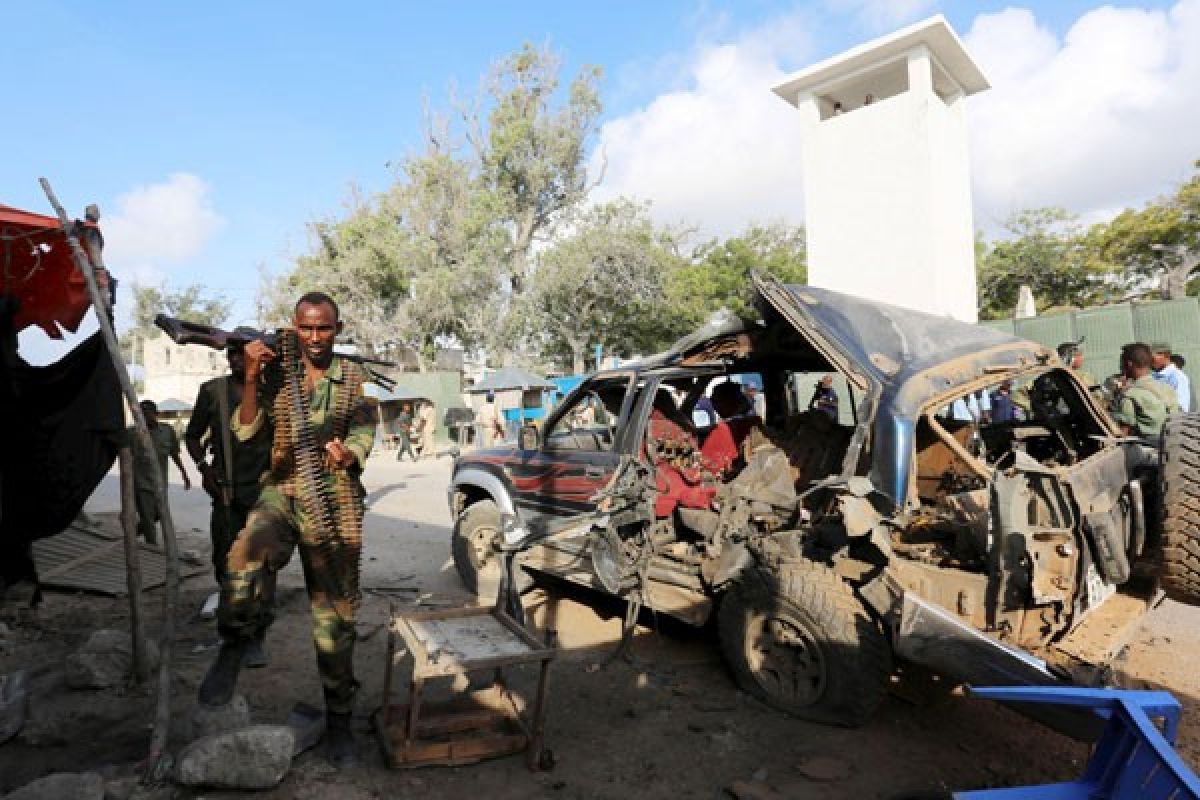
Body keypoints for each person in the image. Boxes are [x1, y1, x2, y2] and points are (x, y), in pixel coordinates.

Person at [197, 291, 376, 768]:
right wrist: (253, 375)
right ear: (295, 327)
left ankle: (339, 722)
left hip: (335, 500)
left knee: (334, 620)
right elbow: (245, 430)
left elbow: (364, 428)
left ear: (337, 329)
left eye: (324, 328)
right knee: (242, 558)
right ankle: (235, 642)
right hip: (282, 490)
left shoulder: (354, 377)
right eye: (306, 328)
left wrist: (349, 454)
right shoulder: (277, 372)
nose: (315, 338)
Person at [185, 340, 273, 665]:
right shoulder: (212, 392)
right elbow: (192, 435)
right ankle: (233, 633)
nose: (238, 359)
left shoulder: (272, 391)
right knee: (226, 564)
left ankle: (254, 636)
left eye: (245, 353)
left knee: (263, 568)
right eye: (233, 353)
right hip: (226, 492)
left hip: (265, 495)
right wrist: (203, 469)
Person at [132, 400, 191, 546]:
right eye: (141, 415)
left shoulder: (167, 431)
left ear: (156, 414)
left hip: (160, 484)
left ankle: (132, 532)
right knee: (148, 518)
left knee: (159, 514)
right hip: (141, 485)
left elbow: (174, 454)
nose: (144, 418)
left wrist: (184, 474)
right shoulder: (132, 433)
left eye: (147, 414)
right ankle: (152, 547)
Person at [1112, 343, 1181, 439]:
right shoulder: (1167, 388)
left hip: (1146, 448)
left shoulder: (1129, 395)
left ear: (1129, 364)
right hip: (1173, 443)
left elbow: (1122, 434)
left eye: (1122, 363)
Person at [701, 381, 763, 479]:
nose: (713, 403)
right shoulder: (756, 422)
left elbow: (705, 465)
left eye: (716, 400)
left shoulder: (722, 430)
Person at [1151, 342, 1192, 413]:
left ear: (1166, 355)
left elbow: (1181, 407)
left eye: (1152, 358)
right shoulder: (1154, 376)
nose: (1150, 361)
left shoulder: (1178, 377)